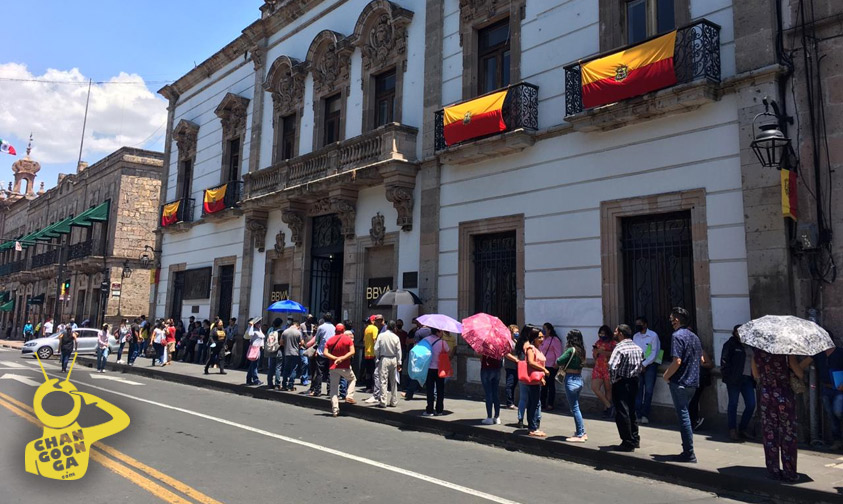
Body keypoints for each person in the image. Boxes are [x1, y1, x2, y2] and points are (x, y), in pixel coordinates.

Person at [752, 348, 803, 482]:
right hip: (784, 394)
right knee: (788, 433)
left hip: (766, 394)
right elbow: (799, 373)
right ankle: (789, 471)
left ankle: (773, 470)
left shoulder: (757, 352)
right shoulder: (786, 351)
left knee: (769, 433)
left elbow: (756, 374)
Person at [662, 307, 702, 463]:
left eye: (671, 318)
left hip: (680, 382)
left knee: (683, 416)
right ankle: (688, 450)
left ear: (677, 320)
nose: (670, 321)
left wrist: (666, 375)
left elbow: (677, 361)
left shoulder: (677, 336)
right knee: (687, 415)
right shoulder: (694, 337)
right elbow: (701, 359)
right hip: (693, 382)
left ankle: (689, 452)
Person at [608, 324, 643, 452]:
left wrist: (613, 379)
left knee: (622, 411)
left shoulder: (619, 347)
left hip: (621, 381)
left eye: (616, 331)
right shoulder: (637, 347)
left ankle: (627, 442)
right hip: (634, 381)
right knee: (632, 410)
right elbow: (641, 364)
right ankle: (635, 438)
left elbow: (612, 365)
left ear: (621, 334)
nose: (614, 333)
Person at [721, 324, 756, 441]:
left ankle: (743, 428)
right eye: (738, 332)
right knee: (733, 404)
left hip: (747, 379)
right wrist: (728, 376)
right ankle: (732, 429)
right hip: (734, 379)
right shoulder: (730, 344)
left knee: (751, 404)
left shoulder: (750, 345)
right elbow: (724, 361)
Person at [558, 329, 587, 442]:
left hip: (570, 379)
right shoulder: (582, 351)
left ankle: (580, 433)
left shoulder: (571, 350)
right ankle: (581, 431)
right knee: (576, 406)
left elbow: (559, 360)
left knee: (574, 408)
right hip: (579, 379)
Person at [324, 323, 357, 417]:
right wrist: (342, 358)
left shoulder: (330, 340)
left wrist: (335, 358)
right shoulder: (348, 339)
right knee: (352, 379)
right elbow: (352, 351)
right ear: (343, 330)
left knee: (333, 389)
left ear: (335, 331)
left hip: (333, 367)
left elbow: (325, 353)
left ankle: (335, 410)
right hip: (345, 366)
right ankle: (349, 396)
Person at [522, 326, 549, 437]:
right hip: (532, 380)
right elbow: (531, 363)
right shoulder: (530, 348)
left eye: (543, 337)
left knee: (535, 403)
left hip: (537, 379)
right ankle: (532, 428)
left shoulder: (538, 349)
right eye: (539, 337)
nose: (542, 339)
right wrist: (544, 370)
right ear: (534, 338)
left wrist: (541, 377)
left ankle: (533, 426)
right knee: (533, 404)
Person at [633, 316, 660, 424]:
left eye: (640, 323)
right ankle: (637, 413)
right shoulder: (636, 336)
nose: (638, 325)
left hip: (650, 365)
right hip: (638, 364)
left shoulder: (653, 336)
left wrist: (644, 364)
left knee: (648, 390)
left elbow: (654, 352)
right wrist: (639, 364)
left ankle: (645, 414)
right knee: (638, 390)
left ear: (645, 324)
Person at [422, 327, 450, 417]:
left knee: (430, 390)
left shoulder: (426, 340)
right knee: (440, 390)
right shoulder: (443, 342)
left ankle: (429, 410)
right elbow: (448, 352)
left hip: (429, 368)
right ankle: (439, 410)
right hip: (440, 369)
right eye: (441, 331)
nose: (442, 333)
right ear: (438, 332)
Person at [375, 320, 402, 408]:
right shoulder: (396, 337)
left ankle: (383, 401)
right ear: (394, 328)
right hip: (393, 358)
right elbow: (399, 351)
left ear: (386, 327)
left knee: (383, 380)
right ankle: (394, 401)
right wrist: (399, 362)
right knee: (393, 381)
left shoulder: (381, 336)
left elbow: (376, 348)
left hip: (384, 358)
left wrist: (378, 357)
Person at [592, 325, 616, 418]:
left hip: (608, 367)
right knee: (595, 387)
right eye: (600, 333)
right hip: (598, 367)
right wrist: (596, 352)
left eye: (603, 333)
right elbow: (594, 356)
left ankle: (606, 409)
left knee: (608, 389)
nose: (602, 335)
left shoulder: (612, 343)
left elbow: (615, 354)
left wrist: (604, 352)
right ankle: (609, 405)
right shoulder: (598, 342)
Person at [539, 322, 563, 411]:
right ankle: (542, 403)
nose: (543, 330)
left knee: (551, 385)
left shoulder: (554, 340)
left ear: (549, 330)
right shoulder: (543, 339)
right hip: (543, 365)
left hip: (551, 366)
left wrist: (557, 363)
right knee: (543, 385)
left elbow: (558, 352)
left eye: (544, 329)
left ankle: (550, 403)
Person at [689, 348, 714, 431]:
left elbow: (709, 364)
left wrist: (701, 364)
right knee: (691, 400)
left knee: (694, 399)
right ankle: (692, 421)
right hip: (689, 379)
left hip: (698, 379)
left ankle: (694, 420)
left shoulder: (700, 351)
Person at [366, 315, 387, 404]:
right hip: (382, 355)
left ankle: (377, 395)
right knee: (381, 376)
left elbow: (378, 342)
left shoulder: (384, 330)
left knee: (377, 375)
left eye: (377, 321)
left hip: (382, 355)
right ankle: (381, 395)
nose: (376, 323)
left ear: (382, 321)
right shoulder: (380, 329)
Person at [480, 351, 502, 425]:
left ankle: (489, 417)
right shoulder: (499, 344)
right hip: (497, 369)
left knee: (488, 394)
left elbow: (479, 356)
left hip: (486, 369)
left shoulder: (485, 343)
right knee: (495, 393)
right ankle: (497, 417)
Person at [280, 319, 302, 391]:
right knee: (294, 369)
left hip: (287, 352)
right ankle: (290, 385)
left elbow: (281, 343)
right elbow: (301, 343)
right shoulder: (298, 333)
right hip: (295, 353)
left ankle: (284, 385)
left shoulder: (285, 331)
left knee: (286, 369)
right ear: (297, 326)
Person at [504, 324, 519, 410]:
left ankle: (512, 401)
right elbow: (506, 354)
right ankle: (509, 402)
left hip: (516, 366)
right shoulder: (508, 341)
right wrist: (515, 359)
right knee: (510, 384)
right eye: (516, 332)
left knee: (514, 384)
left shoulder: (515, 341)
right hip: (510, 365)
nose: (517, 333)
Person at [245, 319, 264, 386]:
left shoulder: (259, 330)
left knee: (252, 365)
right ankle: (255, 379)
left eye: (260, 323)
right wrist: (251, 326)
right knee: (254, 365)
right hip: (254, 349)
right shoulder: (253, 330)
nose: (259, 324)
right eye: (258, 323)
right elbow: (249, 334)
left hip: (259, 348)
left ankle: (248, 379)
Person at [265, 318, 283, 389]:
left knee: (271, 368)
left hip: (271, 351)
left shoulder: (270, 331)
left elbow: (266, 339)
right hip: (278, 351)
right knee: (278, 368)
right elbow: (282, 342)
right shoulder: (281, 332)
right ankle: (277, 384)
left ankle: (269, 383)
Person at [362, 316, 379, 393]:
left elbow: (364, 340)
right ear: (372, 321)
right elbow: (375, 339)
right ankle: (373, 387)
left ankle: (368, 387)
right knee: (374, 371)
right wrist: (377, 351)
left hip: (367, 353)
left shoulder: (366, 329)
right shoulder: (374, 328)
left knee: (368, 371)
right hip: (373, 353)